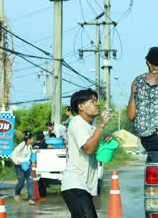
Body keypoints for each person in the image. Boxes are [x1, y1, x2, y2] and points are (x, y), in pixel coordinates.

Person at [61, 89, 111, 218]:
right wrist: (101, 125)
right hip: (75, 184)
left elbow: (95, 149)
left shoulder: (92, 125)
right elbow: (88, 149)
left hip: (86, 184)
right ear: (81, 106)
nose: (97, 104)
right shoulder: (77, 122)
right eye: (92, 101)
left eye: (96, 101)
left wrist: (104, 142)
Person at [10, 131, 35, 205]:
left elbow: (29, 154)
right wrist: (16, 161)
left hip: (27, 165)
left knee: (30, 181)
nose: (33, 139)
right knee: (21, 183)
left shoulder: (30, 146)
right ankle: (17, 193)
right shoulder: (21, 145)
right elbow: (13, 154)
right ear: (29, 139)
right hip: (19, 166)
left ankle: (30, 199)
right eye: (32, 138)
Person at [33, 131, 53, 198]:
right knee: (42, 181)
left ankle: (37, 194)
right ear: (43, 138)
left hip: (35, 164)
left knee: (37, 181)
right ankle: (43, 195)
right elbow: (50, 147)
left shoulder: (34, 145)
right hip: (43, 165)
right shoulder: (43, 144)